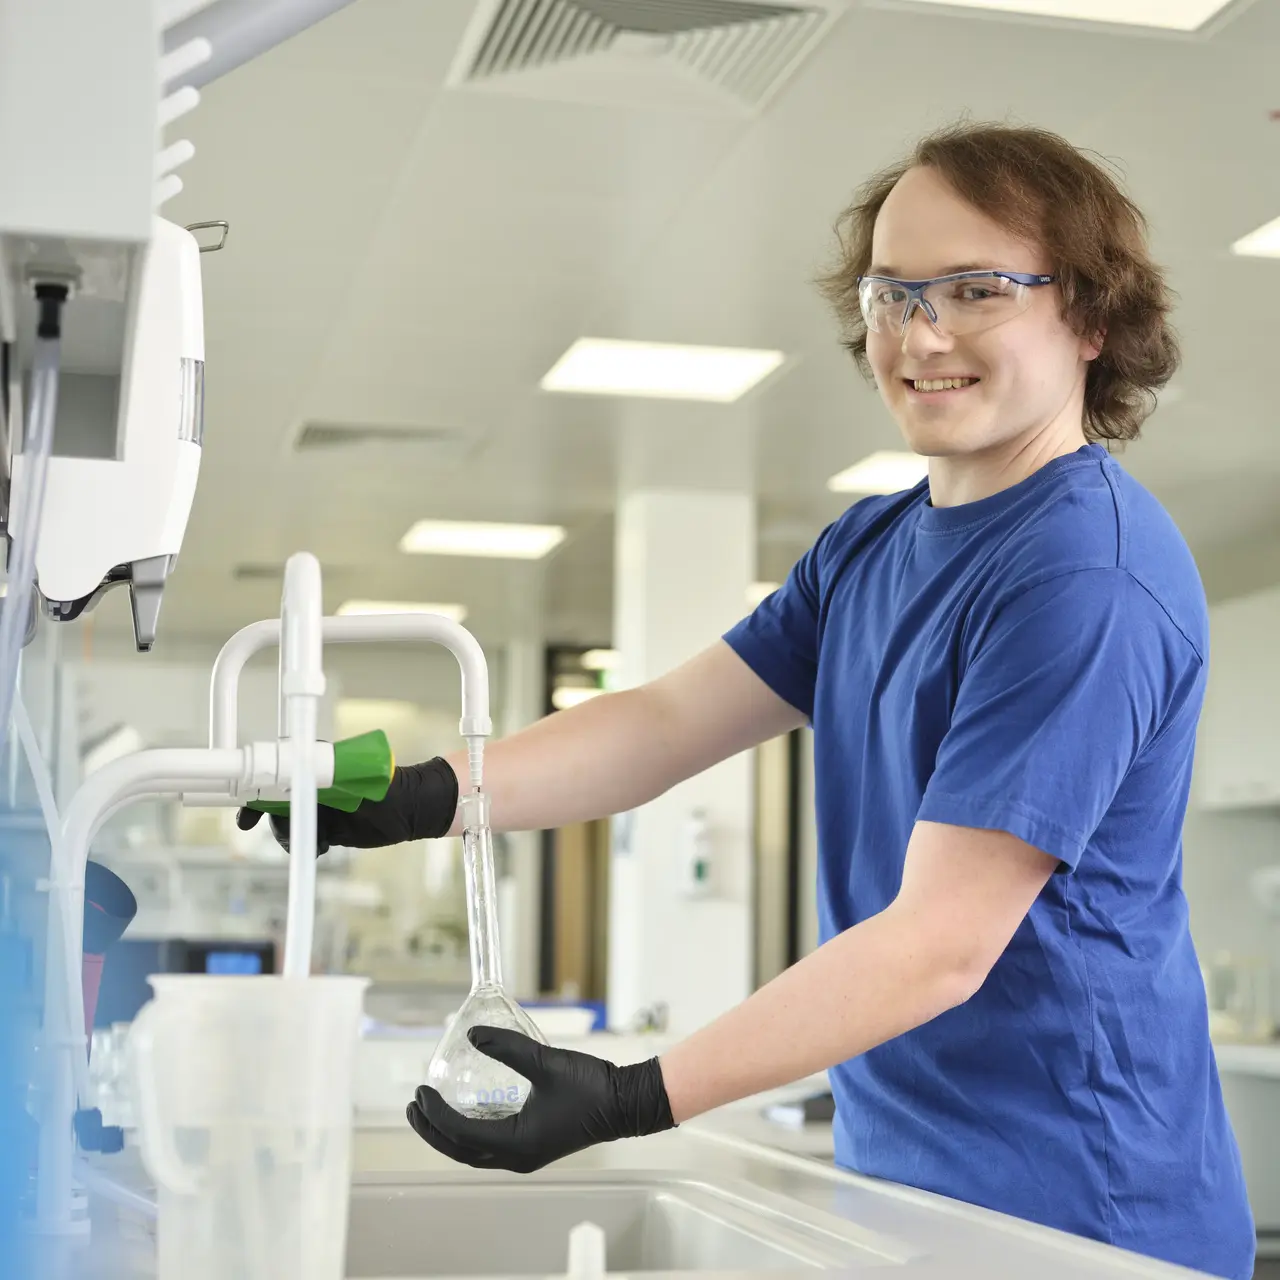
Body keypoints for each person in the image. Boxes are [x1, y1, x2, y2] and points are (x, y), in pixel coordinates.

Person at [239, 123, 1255, 1279]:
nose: (919, 333)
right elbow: (667, 723)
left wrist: (634, 1094)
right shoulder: (871, 542)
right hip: (911, 1193)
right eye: (891, 293)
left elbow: (937, 944)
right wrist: (432, 792)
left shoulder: (1082, 573)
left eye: (975, 290)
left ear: (1088, 317)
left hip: (1080, 1216)